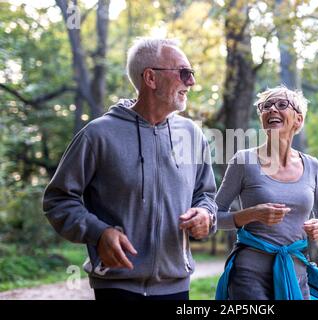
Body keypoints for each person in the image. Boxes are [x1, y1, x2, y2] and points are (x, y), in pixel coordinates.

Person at [43, 38, 217, 300]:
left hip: (177, 287)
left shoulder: (193, 135)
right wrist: (98, 232)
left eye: (190, 74)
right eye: (183, 72)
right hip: (117, 286)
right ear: (150, 77)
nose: (190, 81)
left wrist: (206, 214)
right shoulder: (97, 135)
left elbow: (206, 195)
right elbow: (58, 200)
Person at [215, 86, 318, 300]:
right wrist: (251, 214)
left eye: (281, 105)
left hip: (297, 274)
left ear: (298, 120)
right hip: (249, 276)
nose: (272, 110)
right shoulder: (244, 161)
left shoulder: (313, 166)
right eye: (266, 106)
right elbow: (214, 217)